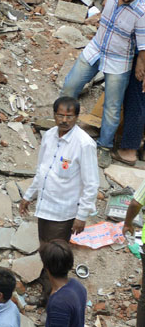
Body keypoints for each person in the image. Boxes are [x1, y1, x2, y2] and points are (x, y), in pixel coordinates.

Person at [61, 0, 145, 152]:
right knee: (69, 86)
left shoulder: (141, 12)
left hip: (119, 61)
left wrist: (141, 65)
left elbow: (142, 44)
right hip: (96, 49)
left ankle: (104, 146)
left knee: (112, 108)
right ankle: (63, 129)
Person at [19, 94, 98, 259]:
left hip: (64, 213)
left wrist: (81, 216)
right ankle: (47, 278)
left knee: (56, 254)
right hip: (45, 207)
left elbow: (91, 184)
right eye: (60, 115)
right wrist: (29, 195)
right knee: (44, 246)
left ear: (76, 117)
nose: (64, 120)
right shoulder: (49, 136)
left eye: (69, 117)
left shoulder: (84, 144)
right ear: (54, 114)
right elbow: (42, 170)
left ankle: (53, 283)